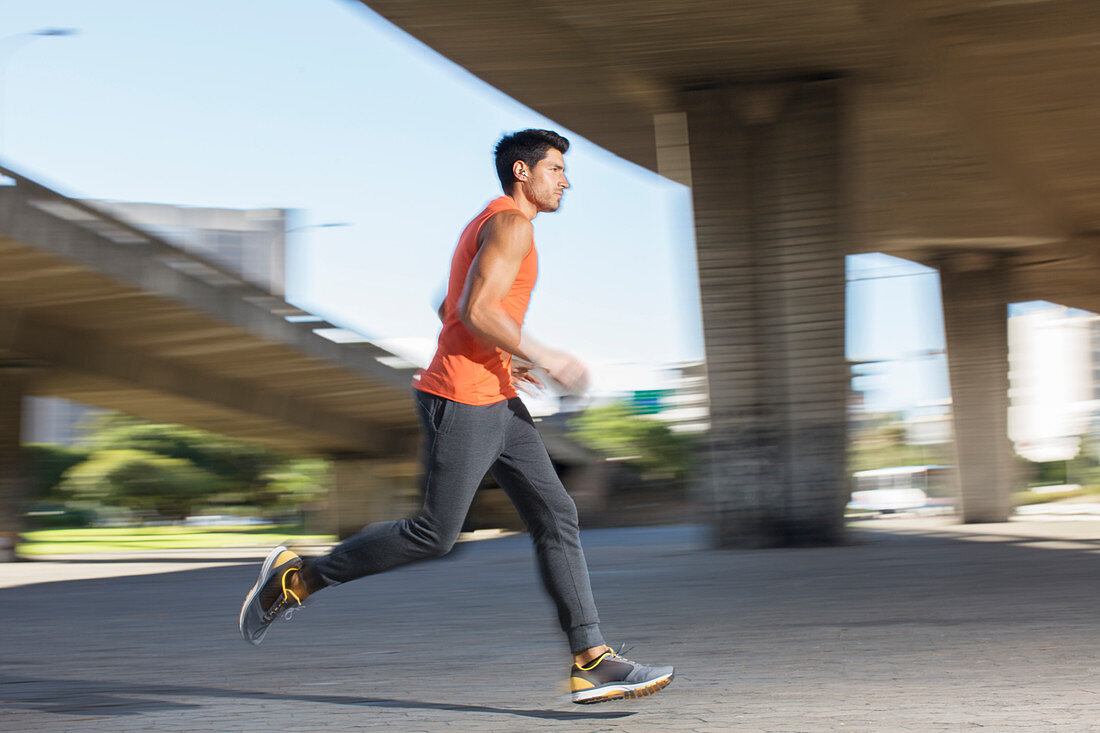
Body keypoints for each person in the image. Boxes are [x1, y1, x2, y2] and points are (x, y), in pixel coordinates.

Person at [239, 129, 673, 704]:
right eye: (555, 169)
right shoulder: (512, 225)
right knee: (434, 535)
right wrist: (544, 356)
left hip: (494, 395)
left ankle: (591, 659)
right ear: (522, 172)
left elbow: (449, 305)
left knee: (556, 514)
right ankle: (300, 577)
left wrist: (506, 357)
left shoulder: (491, 223)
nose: (565, 181)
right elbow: (473, 308)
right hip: (464, 399)